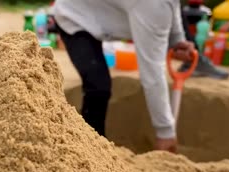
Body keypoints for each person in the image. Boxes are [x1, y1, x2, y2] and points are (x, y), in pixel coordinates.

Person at [53, 0, 195, 153]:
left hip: (101, 13)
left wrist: (178, 40)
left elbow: (171, 5)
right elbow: (152, 74)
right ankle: (90, 151)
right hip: (74, 15)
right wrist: (165, 133)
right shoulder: (152, 4)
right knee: (98, 87)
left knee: (100, 85)